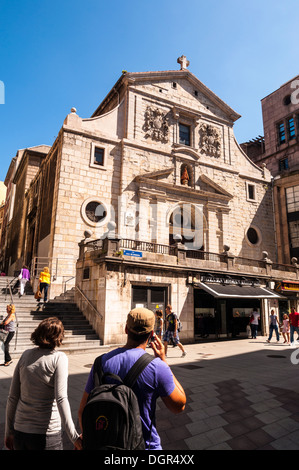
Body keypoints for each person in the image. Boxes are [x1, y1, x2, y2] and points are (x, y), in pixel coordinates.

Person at [78, 307, 186, 450]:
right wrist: (163, 361)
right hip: (144, 446)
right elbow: (179, 406)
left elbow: (82, 411)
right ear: (151, 334)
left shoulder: (101, 362)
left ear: (126, 329)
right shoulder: (157, 367)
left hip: (106, 446)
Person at [4, 317, 82, 450]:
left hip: (21, 432)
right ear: (59, 337)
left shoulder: (25, 355)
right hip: (47, 434)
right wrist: (74, 437)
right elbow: (61, 398)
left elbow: (12, 397)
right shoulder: (59, 358)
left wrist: (8, 432)